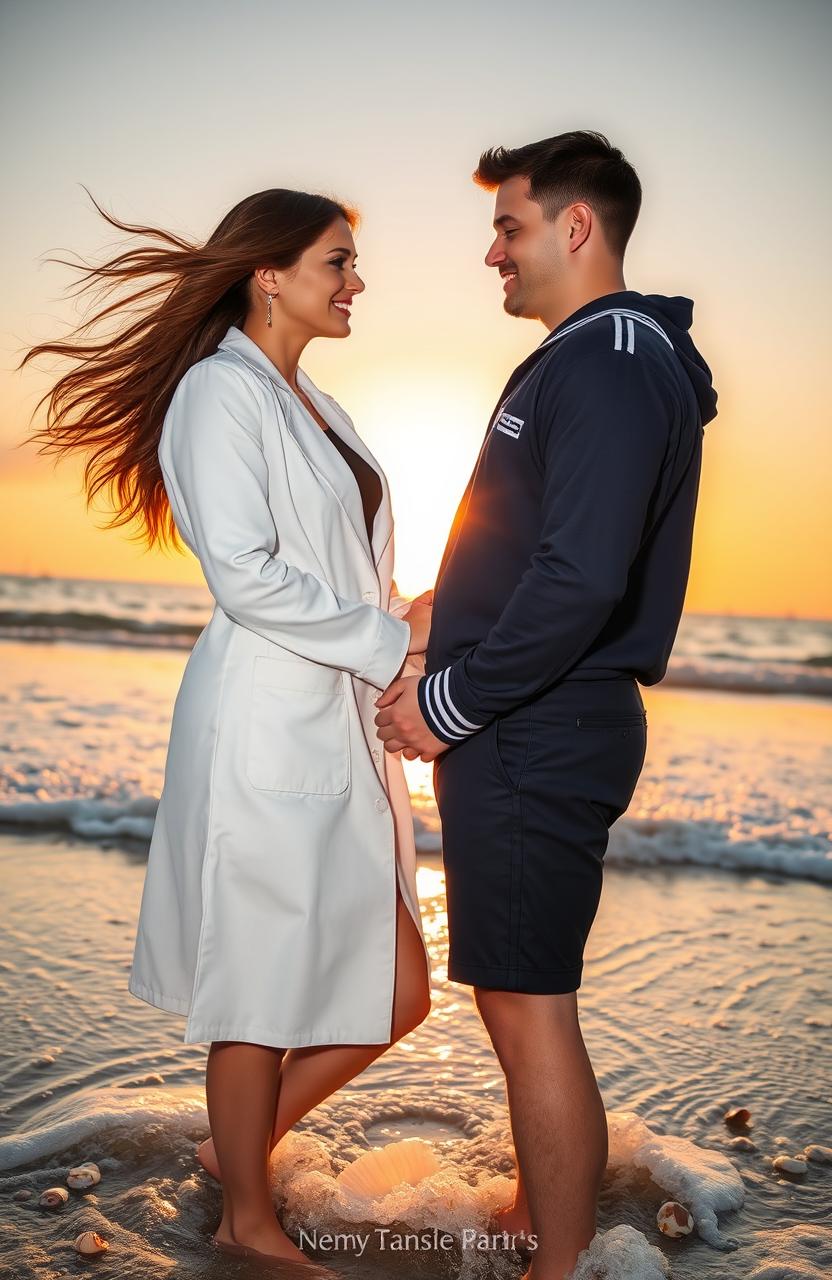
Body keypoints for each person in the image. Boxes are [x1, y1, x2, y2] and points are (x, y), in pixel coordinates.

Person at [19, 187, 433, 1268]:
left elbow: (336, 571)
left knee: (400, 990)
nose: (355, 282)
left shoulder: (320, 406)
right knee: (258, 981)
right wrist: (390, 649)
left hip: (335, 713)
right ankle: (248, 1214)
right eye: (337, 261)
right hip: (265, 718)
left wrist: (412, 623)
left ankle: (231, 1148)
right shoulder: (218, 392)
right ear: (269, 272)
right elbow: (247, 577)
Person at [374, 130, 718, 1279]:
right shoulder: (599, 354)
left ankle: (555, 1262)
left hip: (539, 725)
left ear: (577, 227)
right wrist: (427, 610)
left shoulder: (611, 357)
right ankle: (540, 1218)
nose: (492, 254)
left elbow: (579, 577)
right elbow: (531, 547)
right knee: (519, 999)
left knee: (529, 1008)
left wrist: (452, 701)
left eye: (509, 226)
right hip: (535, 720)